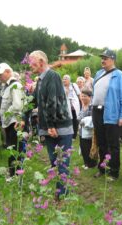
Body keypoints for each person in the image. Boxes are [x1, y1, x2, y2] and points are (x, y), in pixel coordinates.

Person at [29, 50, 73, 200]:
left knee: (62, 163)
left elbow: (52, 102)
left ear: (41, 61)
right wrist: (23, 117)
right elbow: (33, 101)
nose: (30, 65)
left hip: (59, 127)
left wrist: (51, 125)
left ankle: (61, 197)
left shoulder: (52, 76)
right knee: (55, 162)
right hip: (49, 127)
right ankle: (60, 191)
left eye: (32, 62)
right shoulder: (40, 80)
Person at [92, 49, 122, 181]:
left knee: (113, 144)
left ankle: (114, 172)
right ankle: (102, 168)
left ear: (112, 59)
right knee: (101, 142)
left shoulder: (119, 75)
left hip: (111, 112)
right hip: (96, 111)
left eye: (106, 58)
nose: (103, 60)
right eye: (102, 58)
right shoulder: (98, 73)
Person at [0, 63, 24, 177]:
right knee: (11, 149)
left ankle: (15, 175)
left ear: (7, 72)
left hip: (14, 123)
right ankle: (13, 174)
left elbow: (17, 105)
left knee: (15, 150)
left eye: (0, 74)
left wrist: (6, 114)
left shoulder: (15, 85)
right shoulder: (6, 86)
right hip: (9, 123)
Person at [77, 88, 97, 169]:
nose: (83, 98)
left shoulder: (91, 106)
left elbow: (93, 118)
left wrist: (84, 121)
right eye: (82, 96)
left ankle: (91, 164)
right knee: (83, 146)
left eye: (85, 96)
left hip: (89, 130)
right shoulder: (82, 105)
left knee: (89, 146)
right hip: (82, 130)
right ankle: (86, 163)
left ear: (90, 97)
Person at [62, 74, 81, 139]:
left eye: (66, 79)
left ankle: (74, 136)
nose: (64, 80)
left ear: (69, 80)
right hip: (66, 107)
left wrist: (82, 103)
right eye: (63, 79)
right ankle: (68, 134)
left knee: (75, 121)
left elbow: (79, 94)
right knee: (68, 120)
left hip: (74, 106)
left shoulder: (74, 85)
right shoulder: (61, 87)